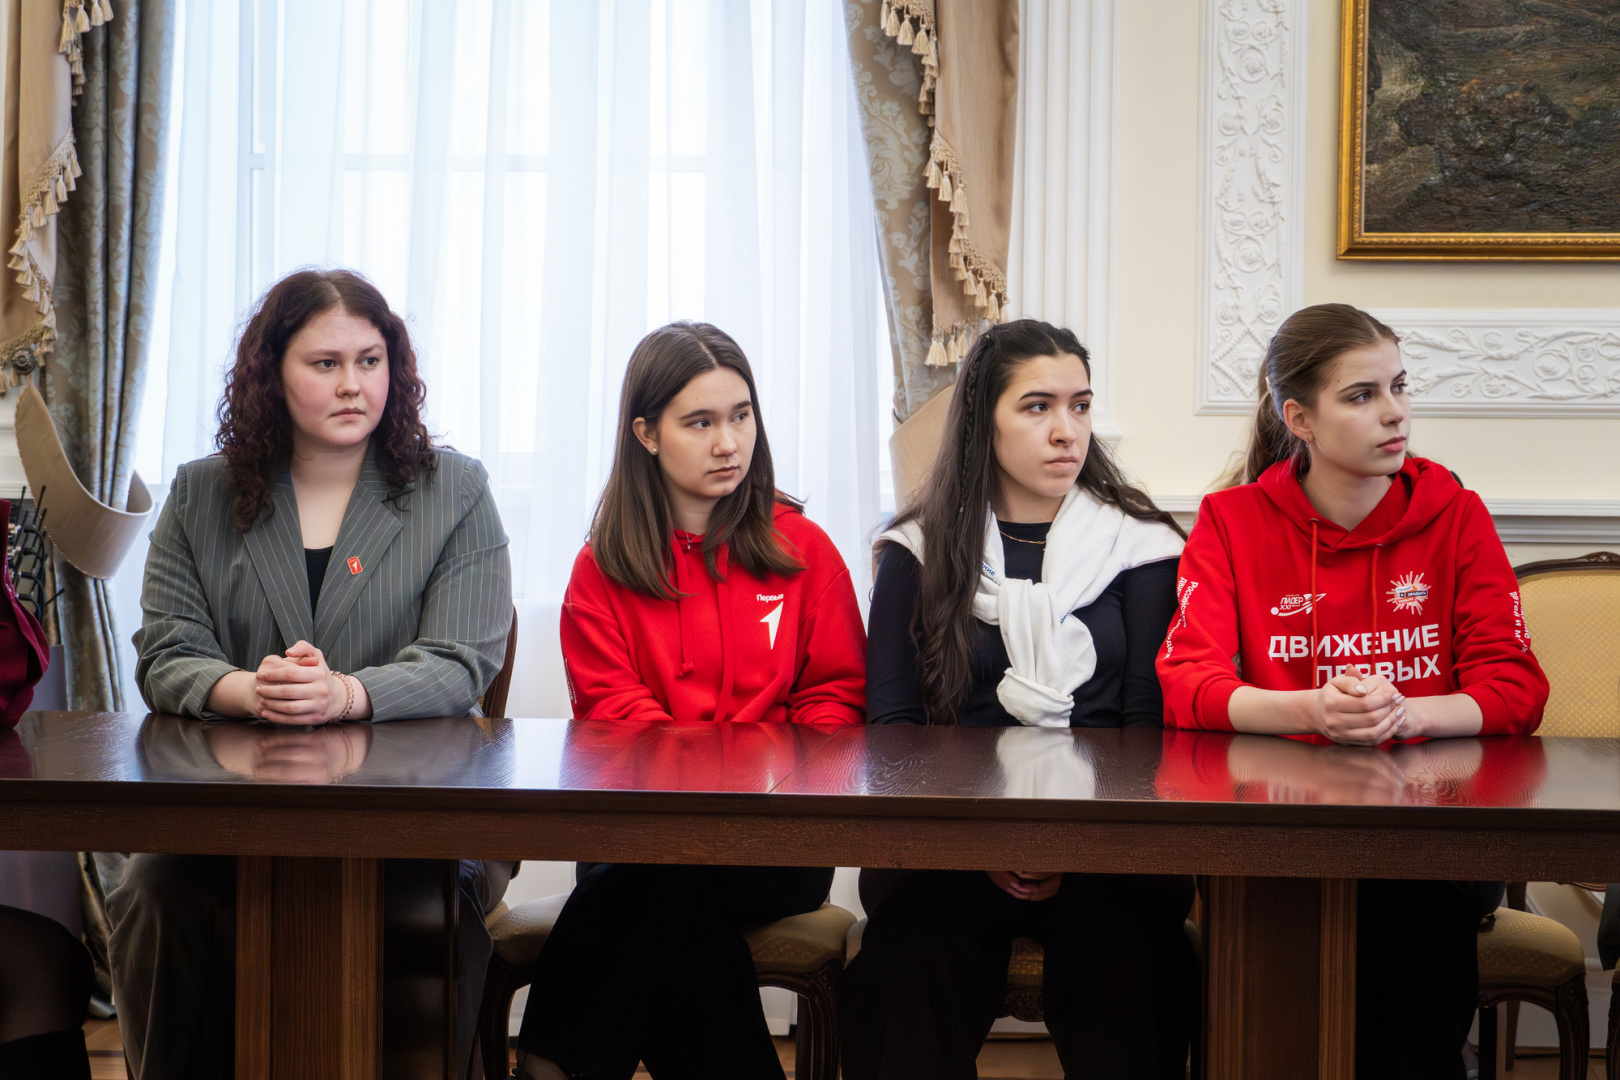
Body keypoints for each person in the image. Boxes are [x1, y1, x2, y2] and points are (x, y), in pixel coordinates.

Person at [116, 269, 514, 1080]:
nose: (353, 385)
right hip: (231, 813)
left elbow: (462, 660)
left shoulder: (454, 490)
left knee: (424, 905)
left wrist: (346, 694)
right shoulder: (200, 493)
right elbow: (166, 653)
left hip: (420, 812)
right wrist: (249, 689)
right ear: (272, 371)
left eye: (370, 361)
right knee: (156, 892)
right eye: (325, 363)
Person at [1155, 302, 1549, 1080]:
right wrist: (1310, 710)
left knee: (1408, 957)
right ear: (1298, 418)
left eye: (1399, 387)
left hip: (1428, 842)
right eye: (1362, 395)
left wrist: (1407, 712)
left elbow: (1516, 686)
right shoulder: (1230, 521)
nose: (1395, 412)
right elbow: (1187, 682)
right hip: (1274, 841)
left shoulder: (1457, 515)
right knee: (1273, 994)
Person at [840, 320, 1198, 1080]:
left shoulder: (1140, 544)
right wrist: (983, 844)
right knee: (908, 963)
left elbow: (1146, 729)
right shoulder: (918, 550)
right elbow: (894, 733)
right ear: (983, 420)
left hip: (1110, 850)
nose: (1067, 430)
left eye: (1080, 405)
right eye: (1038, 407)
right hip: (948, 849)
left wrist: (1070, 846)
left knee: (1135, 962)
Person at [511, 321, 865, 1080]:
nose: (728, 443)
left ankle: (547, 1065)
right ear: (646, 433)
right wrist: (720, 773)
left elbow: (837, 706)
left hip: (775, 842)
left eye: (741, 415)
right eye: (699, 422)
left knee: (640, 896)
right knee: (674, 915)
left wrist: (757, 779)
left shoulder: (806, 551)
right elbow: (615, 724)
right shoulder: (602, 568)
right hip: (646, 835)